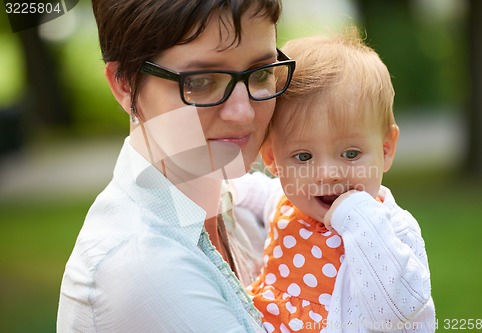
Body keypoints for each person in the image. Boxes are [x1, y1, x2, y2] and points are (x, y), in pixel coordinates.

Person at [56, 0, 295, 332]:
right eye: (200, 82)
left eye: (262, 73)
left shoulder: (246, 208)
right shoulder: (141, 265)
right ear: (124, 82)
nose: (243, 113)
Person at [246, 29, 436, 332]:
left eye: (350, 153)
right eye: (304, 157)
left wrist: (356, 216)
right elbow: (245, 191)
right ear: (272, 158)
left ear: (386, 149)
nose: (328, 173)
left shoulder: (391, 229)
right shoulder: (286, 201)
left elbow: (400, 309)